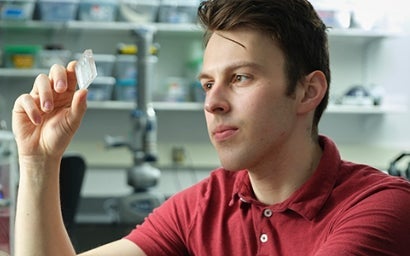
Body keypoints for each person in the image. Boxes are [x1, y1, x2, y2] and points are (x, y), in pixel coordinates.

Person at [12, 0, 410, 255]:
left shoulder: (382, 207)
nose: (212, 102)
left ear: (308, 92)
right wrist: (39, 162)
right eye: (207, 83)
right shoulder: (203, 207)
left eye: (240, 78)